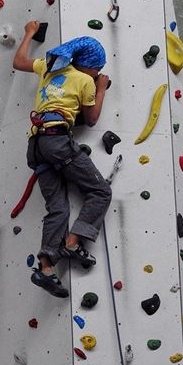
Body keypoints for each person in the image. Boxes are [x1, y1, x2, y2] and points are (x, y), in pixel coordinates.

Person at [13, 20, 112, 298]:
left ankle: (45, 269)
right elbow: (91, 121)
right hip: (57, 141)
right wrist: (101, 88)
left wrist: (29, 32)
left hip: (36, 146)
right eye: (98, 69)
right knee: (100, 192)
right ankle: (71, 242)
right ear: (87, 65)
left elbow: (19, 61)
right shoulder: (84, 81)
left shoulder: (48, 66)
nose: (98, 73)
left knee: (58, 209)